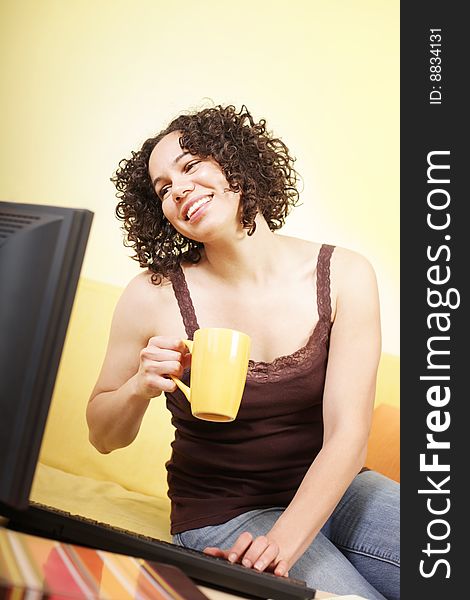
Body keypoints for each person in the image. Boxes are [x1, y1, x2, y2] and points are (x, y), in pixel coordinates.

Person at [86, 104, 399, 600]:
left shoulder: (345, 275)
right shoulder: (152, 293)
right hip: (225, 513)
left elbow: (349, 434)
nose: (178, 189)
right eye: (162, 189)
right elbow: (104, 436)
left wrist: (283, 543)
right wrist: (138, 387)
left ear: (237, 160)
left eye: (189, 166)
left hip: (339, 490)